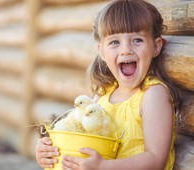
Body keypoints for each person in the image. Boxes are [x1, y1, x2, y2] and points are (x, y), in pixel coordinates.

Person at [35, 0, 181, 169]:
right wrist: (49, 150)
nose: (126, 50)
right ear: (102, 51)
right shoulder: (102, 94)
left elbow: (156, 160)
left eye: (137, 40)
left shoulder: (153, 95)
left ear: (156, 47)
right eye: (114, 42)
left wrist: (103, 166)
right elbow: (79, 136)